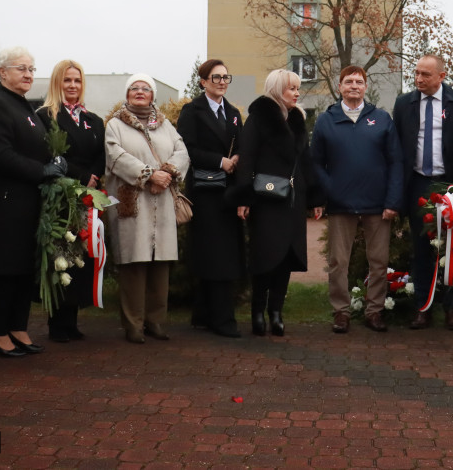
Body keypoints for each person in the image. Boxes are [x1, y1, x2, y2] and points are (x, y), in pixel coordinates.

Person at [0, 47, 64, 358]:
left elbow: (35, 147)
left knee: (23, 268)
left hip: (26, 203)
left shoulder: (23, 107)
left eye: (32, 69)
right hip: (3, 205)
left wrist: (55, 160)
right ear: (3, 73)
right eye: (21, 68)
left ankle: (17, 327)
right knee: (6, 270)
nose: (28, 74)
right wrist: (42, 171)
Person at [311, 65, 402, 333]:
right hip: (341, 203)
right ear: (340, 87)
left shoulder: (382, 118)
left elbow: (396, 162)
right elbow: (316, 163)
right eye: (348, 81)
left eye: (359, 82)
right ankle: (341, 312)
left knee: (379, 260)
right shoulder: (326, 120)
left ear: (365, 87)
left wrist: (392, 201)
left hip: (377, 204)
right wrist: (329, 190)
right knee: (339, 261)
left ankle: (374, 311)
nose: (354, 85)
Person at [234, 69, 323, 337]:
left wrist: (316, 197)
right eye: (291, 88)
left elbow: (306, 161)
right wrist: (243, 198)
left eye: (298, 88)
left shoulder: (297, 119)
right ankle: (257, 313)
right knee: (265, 256)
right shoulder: (258, 117)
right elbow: (246, 159)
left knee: (286, 256)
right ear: (276, 89)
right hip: (266, 200)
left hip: (294, 201)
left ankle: (276, 312)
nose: (297, 93)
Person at [105, 74, 189, 344]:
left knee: (160, 265)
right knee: (134, 263)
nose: (139, 92)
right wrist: (148, 175)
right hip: (133, 202)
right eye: (134, 88)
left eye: (145, 89)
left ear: (152, 95)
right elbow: (116, 156)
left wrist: (166, 173)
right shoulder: (115, 125)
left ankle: (156, 322)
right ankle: (133, 325)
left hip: (162, 201)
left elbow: (182, 152)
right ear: (127, 94)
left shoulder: (165, 126)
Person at [392, 53, 453, 330]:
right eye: (416, 73)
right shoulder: (404, 103)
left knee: (452, 247)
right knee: (422, 248)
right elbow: (398, 148)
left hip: (450, 184)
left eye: (425, 74)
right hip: (417, 183)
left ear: (441, 76)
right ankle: (423, 308)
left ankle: (452, 310)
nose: (418, 79)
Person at [36, 60, 105, 342]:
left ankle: (72, 320)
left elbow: (101, 156)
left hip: (87, 198)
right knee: (61, 256)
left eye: (77, 81)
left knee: (80, 257)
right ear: (57, 83)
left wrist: (94, 177)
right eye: (67, 81)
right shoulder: (45, 116)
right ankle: (57, 323)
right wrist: (81, 176)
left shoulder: (94, 120)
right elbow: (50, 156)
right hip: (60, 198)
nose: (72, 86)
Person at [176, 59, 245, 338]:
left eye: (225, 77)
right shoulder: (192, 111)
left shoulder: (234, 112)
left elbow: (240, 144)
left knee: (225, 252)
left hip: (228, 193)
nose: (221, 82)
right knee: (213, 254)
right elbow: (185, 147)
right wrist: (220, 161)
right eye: (215, 77)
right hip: (205, 193)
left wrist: (238, 157)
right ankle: (221, 319)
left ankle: (203, 315)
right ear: (203, 82)